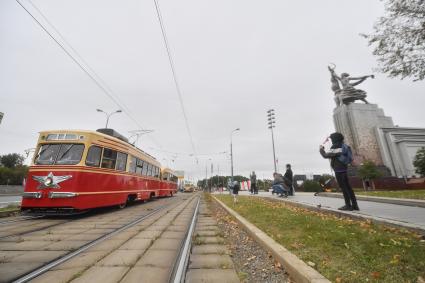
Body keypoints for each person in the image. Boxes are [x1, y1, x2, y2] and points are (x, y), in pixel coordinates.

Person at [319, 132, 359, 211]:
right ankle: (354, 205)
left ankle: (348, 205)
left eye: (332, 138)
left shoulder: (336, 145)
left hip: (339, 169)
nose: (331, 140)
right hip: (344, 168)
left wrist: (321, 149)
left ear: (335, 138)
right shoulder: (344, 145)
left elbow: (326, 155)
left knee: (343, 188)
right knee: (348, 187)